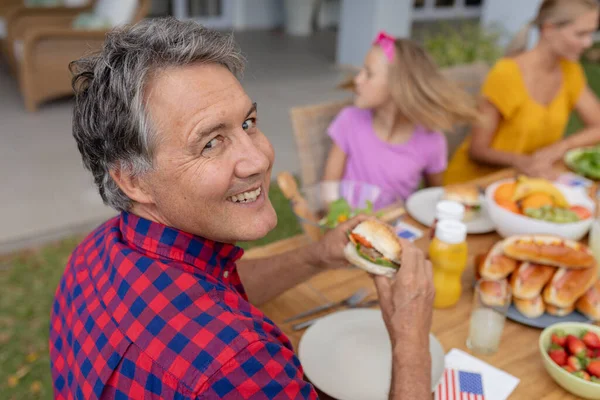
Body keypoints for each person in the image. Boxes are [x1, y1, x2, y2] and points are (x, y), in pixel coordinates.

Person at [49, 18, 435, 399]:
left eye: (248, 122)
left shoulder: (95, 251)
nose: (259, 159)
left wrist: (316, 256)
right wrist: (410, 344)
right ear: (133, 180)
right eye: (211, 143)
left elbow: (214, 285)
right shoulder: (239, 366)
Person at [445, 0, 600, 185]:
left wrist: (560, 147)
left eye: (591, 33)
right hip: (478, 184)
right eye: (580, 34)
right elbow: (477, 150)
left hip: (525, 181)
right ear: (549, 29)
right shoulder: (507, 74)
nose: (588, 43)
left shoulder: (570, 71)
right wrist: (525, 162)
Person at [323, 31, 478, 201]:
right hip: (344, 223)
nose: (358, 80)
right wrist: (336, 220)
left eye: (369, 73)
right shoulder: (349, 120)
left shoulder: (431, 141)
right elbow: (329, 189)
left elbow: (434, 198)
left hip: (394, 227)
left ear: (398, 87)